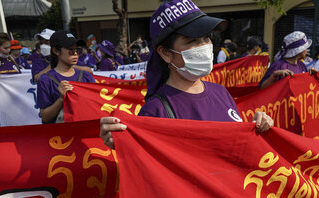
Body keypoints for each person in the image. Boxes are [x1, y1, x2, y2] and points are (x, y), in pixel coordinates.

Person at [100, 0, 274, 148]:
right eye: (192, 41)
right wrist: (124, 143)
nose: (205, 46)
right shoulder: (155, 111)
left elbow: (238, 147)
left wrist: (257, 127)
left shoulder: (221, 93)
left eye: (206, 38)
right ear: (165, 53)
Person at [37, 30, 95, 124]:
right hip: (60, 136)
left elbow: (96, 105)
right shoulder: (45, 80)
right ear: (56, 51)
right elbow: (45, 117)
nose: (75, 53)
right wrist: (61, 99)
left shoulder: (86, 76)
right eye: (71, 50)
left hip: (83, 132)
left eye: (77, 50)